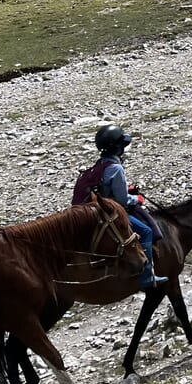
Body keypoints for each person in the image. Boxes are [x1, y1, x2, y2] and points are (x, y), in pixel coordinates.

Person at [82, 124, 168, 290]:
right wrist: (137, 198)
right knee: (146, 231)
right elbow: (122, 201)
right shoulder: (116, 168)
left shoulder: (101, 165)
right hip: (110, 211)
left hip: (96, 208)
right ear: (117, 148)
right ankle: (147, 276)